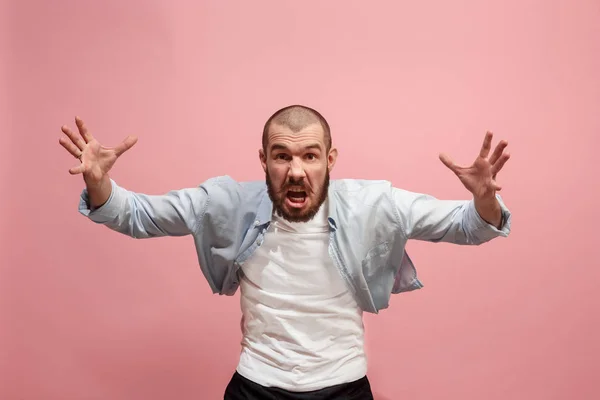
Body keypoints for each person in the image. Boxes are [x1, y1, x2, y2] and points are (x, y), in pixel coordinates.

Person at [59, 105, 511, 400]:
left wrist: (484, 199)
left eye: (310, 157)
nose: (296, 171)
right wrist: (98, 181)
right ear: (263, 159)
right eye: (282, 157)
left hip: (344, 387)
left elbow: (470, 226)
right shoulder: (227, 203)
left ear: (330, 160)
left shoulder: (376, 206)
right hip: (256, 387)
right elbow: (136, 215)